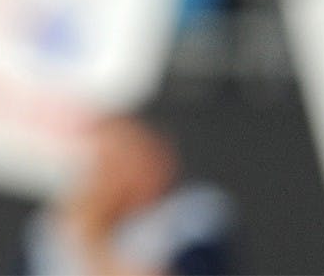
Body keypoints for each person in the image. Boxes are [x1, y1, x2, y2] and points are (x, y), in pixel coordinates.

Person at [17, 115, 236, 276]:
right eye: (101, 166)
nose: (107, 178)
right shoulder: (56, 226)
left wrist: (93, 240)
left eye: (118, 163)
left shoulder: (194, 214)